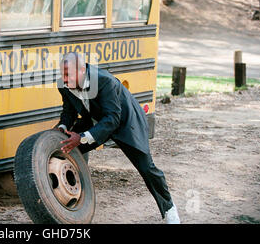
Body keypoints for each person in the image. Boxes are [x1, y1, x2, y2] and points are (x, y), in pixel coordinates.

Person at [55, 52, 181, 224]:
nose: (64, 78)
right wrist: (62, 127)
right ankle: (72, 201)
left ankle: (169, 209)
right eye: (62, 74)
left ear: (82, 70)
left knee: (146, 168)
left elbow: (113, 119)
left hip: (125, 122)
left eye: (68, 74)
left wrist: (83, 137)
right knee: (66, 146)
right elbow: (69, 112)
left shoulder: (104, 81)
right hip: (95, 118)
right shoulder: (63, 84)